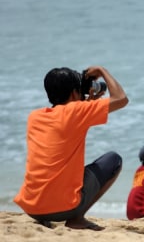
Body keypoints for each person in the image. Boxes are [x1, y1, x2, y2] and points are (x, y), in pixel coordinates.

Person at [14, 66, 129, 230]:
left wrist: (85, 103)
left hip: (33, 208)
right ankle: (77, 218)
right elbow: (121, 98)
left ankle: (48, 215)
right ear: (75, 92)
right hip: (64, 210)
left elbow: (66, 121)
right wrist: (103, 71)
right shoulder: (77, 112)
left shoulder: (35, 117)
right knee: (113, 160)